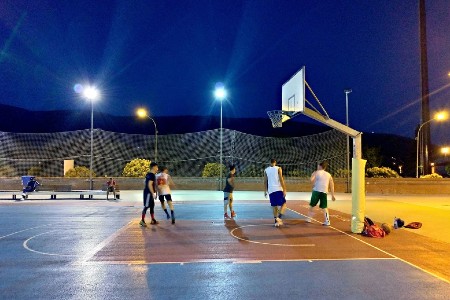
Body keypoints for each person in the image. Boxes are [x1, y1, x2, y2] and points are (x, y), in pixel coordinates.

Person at [306, 161, 336, 226]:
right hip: (324, 192)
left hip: (316, 191)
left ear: (320, 166)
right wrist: (333, 195)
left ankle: (309, 218)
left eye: (318, 166)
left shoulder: (316, 172)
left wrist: (312, 175)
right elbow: (332, 185)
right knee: (324, 207)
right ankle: (327, 221)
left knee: (312, 205)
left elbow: (311, 180)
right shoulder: (328, 174)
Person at [264, 159, 287, 227]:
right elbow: (281, 179)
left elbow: (265, 181)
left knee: (274, 206)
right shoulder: (278, 168)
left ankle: (276, 222)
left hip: (270, 190)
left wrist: (265, 191)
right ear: (275, 162)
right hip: (278, 189)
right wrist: (284, 189)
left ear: (269, 163)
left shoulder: (266, 170)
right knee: (284, 204)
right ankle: (279, 217)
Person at [140, 162, 159, 227]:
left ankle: (153, 220)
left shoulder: (148, 174)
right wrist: (153, 193)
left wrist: (155, 191)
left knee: (152, 205)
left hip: (148, 192)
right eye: (157, 167)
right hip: (148, 193)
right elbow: (149, 184)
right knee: (146, 206)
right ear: (153, 167)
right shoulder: (152, 175)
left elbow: (145, 182)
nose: (157, 169)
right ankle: (142, 220)